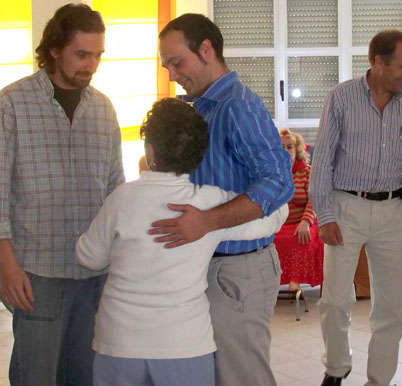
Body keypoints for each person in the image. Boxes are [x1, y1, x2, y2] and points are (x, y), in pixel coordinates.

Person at [75, 98, 287, 386]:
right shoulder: (209, 202)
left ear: (149, 151)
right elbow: (274, 215)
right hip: (185, 345)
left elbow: (88, 256)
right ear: (199, 156)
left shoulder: (122, 198)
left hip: (118, 343)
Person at [0, 4, 124, 385]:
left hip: (94, 273)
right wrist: (7, 265)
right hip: (36, 272)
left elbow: (115, 190)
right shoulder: (12, 103)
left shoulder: (104, 109)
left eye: (97, 56)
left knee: (85, 376)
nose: (90, 65)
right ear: (55, 49)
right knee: (36, 376)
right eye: (81, 54)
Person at [153, 13, 294, 386]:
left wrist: (207, 221)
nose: (172, 74)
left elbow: (279, 183)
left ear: (206, 49)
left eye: (177, 62)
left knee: (241, 377)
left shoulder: (237, 106)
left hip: (239, 271)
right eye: (167, 66)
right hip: (212, 267)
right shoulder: (203, 108)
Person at [309, 29, 402, 386]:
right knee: (334, 300)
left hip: (395, 211)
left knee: (392, 307)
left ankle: (379, 380)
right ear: (378, 62)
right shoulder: (341, 97)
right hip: (346, 208)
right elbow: (323, 163)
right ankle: (336, 367)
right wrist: (326, 215)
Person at [274, 129, 324, 291]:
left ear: (297, 150)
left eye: (290, 147)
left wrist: (305, 222)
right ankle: (272, 281)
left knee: (299, 238)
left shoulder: (307, 171)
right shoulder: (271, 174)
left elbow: (314, 200)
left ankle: (294, 283)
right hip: (278, 224)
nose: (286, 151)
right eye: (282, 147)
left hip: (303, 222)